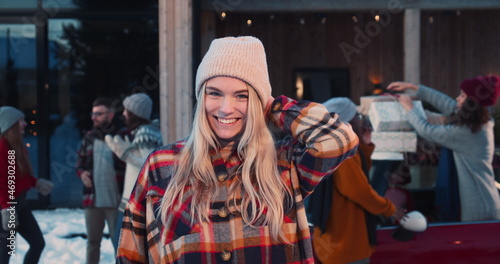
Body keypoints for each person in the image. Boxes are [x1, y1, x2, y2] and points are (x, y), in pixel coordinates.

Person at [116, 36, 359, 263]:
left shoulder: (284, 163)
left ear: (257, 104)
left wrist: (273, 107)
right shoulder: (162, 164)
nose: (225, 108)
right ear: (201, 98)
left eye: (241, 96)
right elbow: (130, 254)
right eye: (214, 93)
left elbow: (339, 139)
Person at [387, 76, 500, 221]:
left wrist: (410, 109)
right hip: (486, 201)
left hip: (480, 207)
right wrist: (413, 87)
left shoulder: (466, 132)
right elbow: (448, 105)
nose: (458, 99)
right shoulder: (481, 123)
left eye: (463, 95)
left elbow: (427, 131)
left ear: (472, 102)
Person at [307, 97, 403, 264]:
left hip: (332, 243)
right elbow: (358, 190)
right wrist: (389, 209)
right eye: (357, 116)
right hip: (347, 245)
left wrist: (364, 146)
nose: (361, 120)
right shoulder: (343, 151)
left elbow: (358, 176)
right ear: (347, 121)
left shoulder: (326, 145)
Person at [105, 93, 163, 249]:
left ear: (135, 113)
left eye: (126, 111)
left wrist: (125, 154)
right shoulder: (146, 131)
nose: (123, 114)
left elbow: (149, 164)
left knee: (121, 246)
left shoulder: (145, 133)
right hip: (132, 201)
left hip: (134, 202)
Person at [0, 106, 54, 263]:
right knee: (5, 251)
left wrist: (36, 182)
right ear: (11, 124)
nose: (24, 124)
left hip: (20, 204)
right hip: (8, 206)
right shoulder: (2, 148)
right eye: (21, 121)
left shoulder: (17, 146)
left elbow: (18, 176)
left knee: (37, 243)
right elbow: (3, 182)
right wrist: (6, 208)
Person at [76, 98, 126, 264]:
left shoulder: (122, 136)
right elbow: (80, 163)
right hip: (92, 200)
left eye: (98, 114)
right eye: (93, 113)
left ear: (110, 115)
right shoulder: (89, 138)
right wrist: (82, 174)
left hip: (116, 201)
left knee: (119, 244)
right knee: (92, 243)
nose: (93, 117)